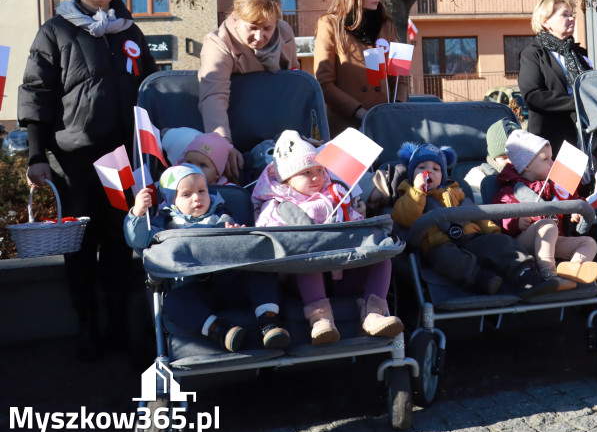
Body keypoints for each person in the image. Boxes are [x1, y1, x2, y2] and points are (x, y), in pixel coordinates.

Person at [19, 0, 157, 361]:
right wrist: (35, 154)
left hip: (121, 157)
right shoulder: (56, 31)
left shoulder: (130, 31)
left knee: (118, 240)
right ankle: (87, 327)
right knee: (80, 245)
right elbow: (36, 92)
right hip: (74, 157)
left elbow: (151, 87)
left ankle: (118, 324)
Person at [253, 130, 403, 340]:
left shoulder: (336, 194)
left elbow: (357, 230)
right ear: (287, 178)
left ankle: (373, 313)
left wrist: (357, 215)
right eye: (306, 173)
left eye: (319, 170)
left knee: (382, 257)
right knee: (308, 258)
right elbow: (269, 239)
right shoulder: (277, 206)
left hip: (344, 269)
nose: (316, 177)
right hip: (304, 278)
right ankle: (320, 319)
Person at [125, 165, 290, 351]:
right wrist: (138, 213)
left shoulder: (222, 215)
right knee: (173, 303)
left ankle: (269, 322)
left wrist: (237, 235)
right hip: (193, 287)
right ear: (172, 200)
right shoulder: (165, 224)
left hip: (230, 281)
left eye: (202, 191)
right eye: (186, 194)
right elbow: (138, 241)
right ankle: (220, 330)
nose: (197, 197)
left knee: (262, 275)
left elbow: (245, 247)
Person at [390, 142, 558, 298]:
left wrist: (492, 231)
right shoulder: (408, 195)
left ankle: (525, 275)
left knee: (502, 244)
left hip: (471, 238)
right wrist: (417, 191)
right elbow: (405, 217)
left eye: (436, 168)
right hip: (439, 245)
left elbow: (477, 214)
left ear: (443, 175)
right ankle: (481, 279)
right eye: (422, 167)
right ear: (412, 173)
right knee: (448, 259)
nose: (429, 171)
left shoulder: (456, 191)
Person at [199, 0, 298, 181]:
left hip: (277, 129)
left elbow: (293, 82)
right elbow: (214, 96)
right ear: (235, 20)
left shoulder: (285, 32)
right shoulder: (218, 43)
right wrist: (223, 144)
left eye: (267, 28)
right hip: (237, 130)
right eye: (252, 28)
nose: (260, 37)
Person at [494, 129, 597, 290]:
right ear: (527, 165)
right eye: (546, 159)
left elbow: (573, 199)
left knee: (589, 242)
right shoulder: (511, 191)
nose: (552, 163)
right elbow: (501, 218)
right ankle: (548, 273)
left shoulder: (555, 186)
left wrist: (575, 210)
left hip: (553, 239)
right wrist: (516, 222)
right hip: (524, 242)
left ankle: (573, 269)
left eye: (552, 158)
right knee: (548, 226)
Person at [314, 0, 407, 137]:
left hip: (383, 124)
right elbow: (324, 84)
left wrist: (396, 107)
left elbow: (397, 78)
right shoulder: (330, 25)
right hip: (347, 128)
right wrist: (360, 112)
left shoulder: (386, 25)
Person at [518, 0, 592, 156]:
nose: (571, 19)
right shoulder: (533, 54)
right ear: (546, 22)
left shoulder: (580, 54)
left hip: (586, 134)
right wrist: (577, 103)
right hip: (552, 139)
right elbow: (533, 96)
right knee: (564, 175)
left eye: (572, 14)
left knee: (591, 173)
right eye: (564, 15)